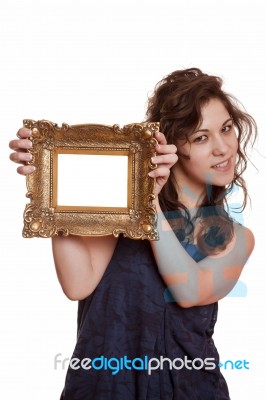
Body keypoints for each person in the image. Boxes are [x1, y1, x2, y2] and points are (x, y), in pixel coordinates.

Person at [9, 68, 257, 399]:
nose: (223, 148)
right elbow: (77, 284)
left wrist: (149, 202)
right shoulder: (119, 210)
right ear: (172, 147)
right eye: (201, 137)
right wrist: (49, 182)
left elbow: (190, 290)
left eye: (226, 129)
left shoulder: (235, 237)